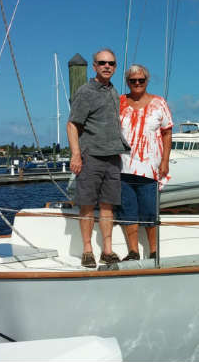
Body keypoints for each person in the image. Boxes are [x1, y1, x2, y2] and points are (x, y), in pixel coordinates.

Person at [67, 48, 130, 268]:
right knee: (86, 205)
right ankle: (87, 250)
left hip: (112, 156)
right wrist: (76, 154)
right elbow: (73, 124)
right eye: (102, 63)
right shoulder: (86, 92)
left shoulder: (112, 91)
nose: (107, 66)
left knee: (107, 206)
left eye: (111, 63)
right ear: (94, 66)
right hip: (91, 156)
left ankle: (108, 250)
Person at [117, 64, 173, 260]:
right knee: (128, 210)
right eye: (133, 81)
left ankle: (153, 251)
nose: (137, 83)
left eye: (141, 80)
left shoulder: (159, 103)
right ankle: (133, 251)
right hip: (123, 167)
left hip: (150, 169)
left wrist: (165, 161)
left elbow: (167, 133)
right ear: (128, 82)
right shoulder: (119, 102)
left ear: (147, 81)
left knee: (150, 211)